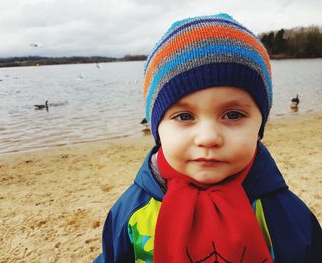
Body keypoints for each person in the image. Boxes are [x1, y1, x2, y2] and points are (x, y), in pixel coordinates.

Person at [94, 14, 322, 263]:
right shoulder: (132, 212)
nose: (208, 138)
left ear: (259, 127)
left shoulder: (284, 214)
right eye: (183, 116)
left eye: (233, 114)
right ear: (157, 128)